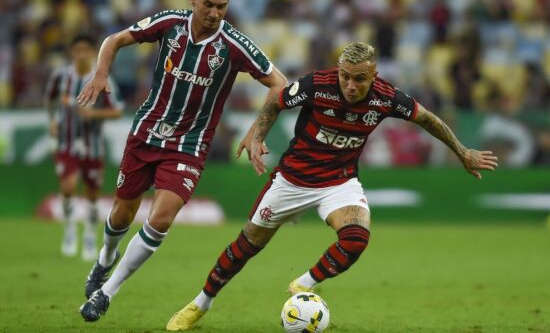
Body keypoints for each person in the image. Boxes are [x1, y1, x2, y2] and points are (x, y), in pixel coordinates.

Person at [166, 42, 498, 331]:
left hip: (339, 182)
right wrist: (258, 136)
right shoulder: (316, 85)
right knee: (248, 244)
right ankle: (201, 303)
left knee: (357, 238)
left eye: (359, 79)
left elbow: (428, 119)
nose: (350, 85)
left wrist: (463, 152)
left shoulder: (386, 98)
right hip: (292, 179)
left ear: (374, 74)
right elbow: (275, 103)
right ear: (337, 71)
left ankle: (304, 284)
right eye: (345, 76)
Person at [77, 0, 287, 322]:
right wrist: (100, 73)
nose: (215, 13)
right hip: (146, 133)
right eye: (208, 4)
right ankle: (105, 258)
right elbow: (114, 39)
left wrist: (257, 129)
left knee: (159, 219)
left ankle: (107, 292)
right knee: (121, 214)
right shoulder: (169, 23)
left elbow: (279, 83)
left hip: (189, 146)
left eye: (222, 6)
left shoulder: (234, 45)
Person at [44, 34, 124, 261]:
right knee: (68, 187)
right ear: (72, 53)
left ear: (92, 53)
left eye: (85, 50)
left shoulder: (102, 78)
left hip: (93, 145)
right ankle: (69, 229)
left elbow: (117, 110)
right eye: (76, 50)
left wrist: (94, 113)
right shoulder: (61, 76)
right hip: (66, 143)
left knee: (92, 195)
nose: (81, 55)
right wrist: (52, 120)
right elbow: (49, 100)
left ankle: (89, 234)